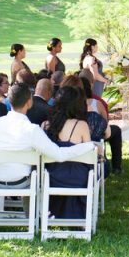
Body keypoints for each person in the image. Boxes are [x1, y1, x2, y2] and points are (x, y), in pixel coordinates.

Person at [0, 84, 97, 209]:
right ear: (29, 101)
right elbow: (59, 154)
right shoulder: (32, 130)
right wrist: (88, 146)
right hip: (20, 181)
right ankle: (31, 216)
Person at [41, 85, 93, 219]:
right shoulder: (81, 125)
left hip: (51, 177)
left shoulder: (46, 125)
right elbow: (89, 155)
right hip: (77, 179)